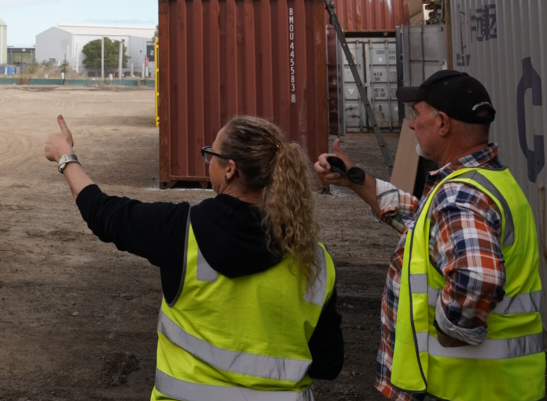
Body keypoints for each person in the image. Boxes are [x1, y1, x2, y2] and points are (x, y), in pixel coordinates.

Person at [45, 112, 343, 398]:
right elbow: (328, 364)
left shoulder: (178, 231)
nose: (207, 161)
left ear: (230, 168)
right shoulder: (315, 261)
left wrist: (65, 157)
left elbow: (103, 213)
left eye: (210, 154)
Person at [315, 69, 545, 400]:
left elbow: (477, 277)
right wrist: (355, 179)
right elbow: (423, 223)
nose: (411, 125)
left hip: (459, 388)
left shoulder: (460, 197)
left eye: (416, 114)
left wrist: (450, 332)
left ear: (442, 124)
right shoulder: (489, 182)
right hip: (502, 385)